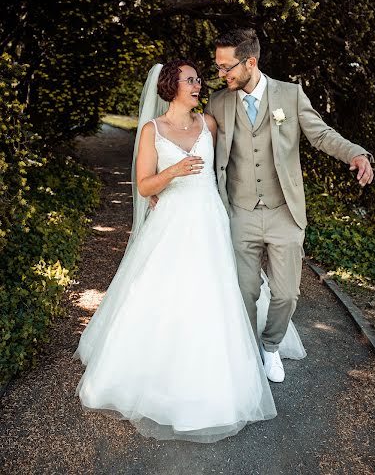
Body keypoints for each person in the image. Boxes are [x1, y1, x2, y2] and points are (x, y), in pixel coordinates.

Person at [74, 59, 305, 444]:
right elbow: (145, 186)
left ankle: (250, 357)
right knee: (166, 295)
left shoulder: (208, 124)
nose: (198, 85)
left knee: (220, 293)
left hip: (212, 218)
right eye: (190, 80)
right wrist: (172, 173)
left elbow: (239, 157)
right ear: (170, 86)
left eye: (199, 78)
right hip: (172, 223)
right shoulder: (152, 130)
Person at [205, 28, 374, 384]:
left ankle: (270, 347)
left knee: (286, 294)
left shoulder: (290, 95)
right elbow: (198, 147)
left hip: (284, 211)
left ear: (250, 62)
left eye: (226, 67)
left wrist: (355, 153)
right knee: (245, 289)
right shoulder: (218, 103)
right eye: (219, 68)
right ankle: (247, 351)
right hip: (240, 212)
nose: (221, 75)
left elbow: (322, 135)